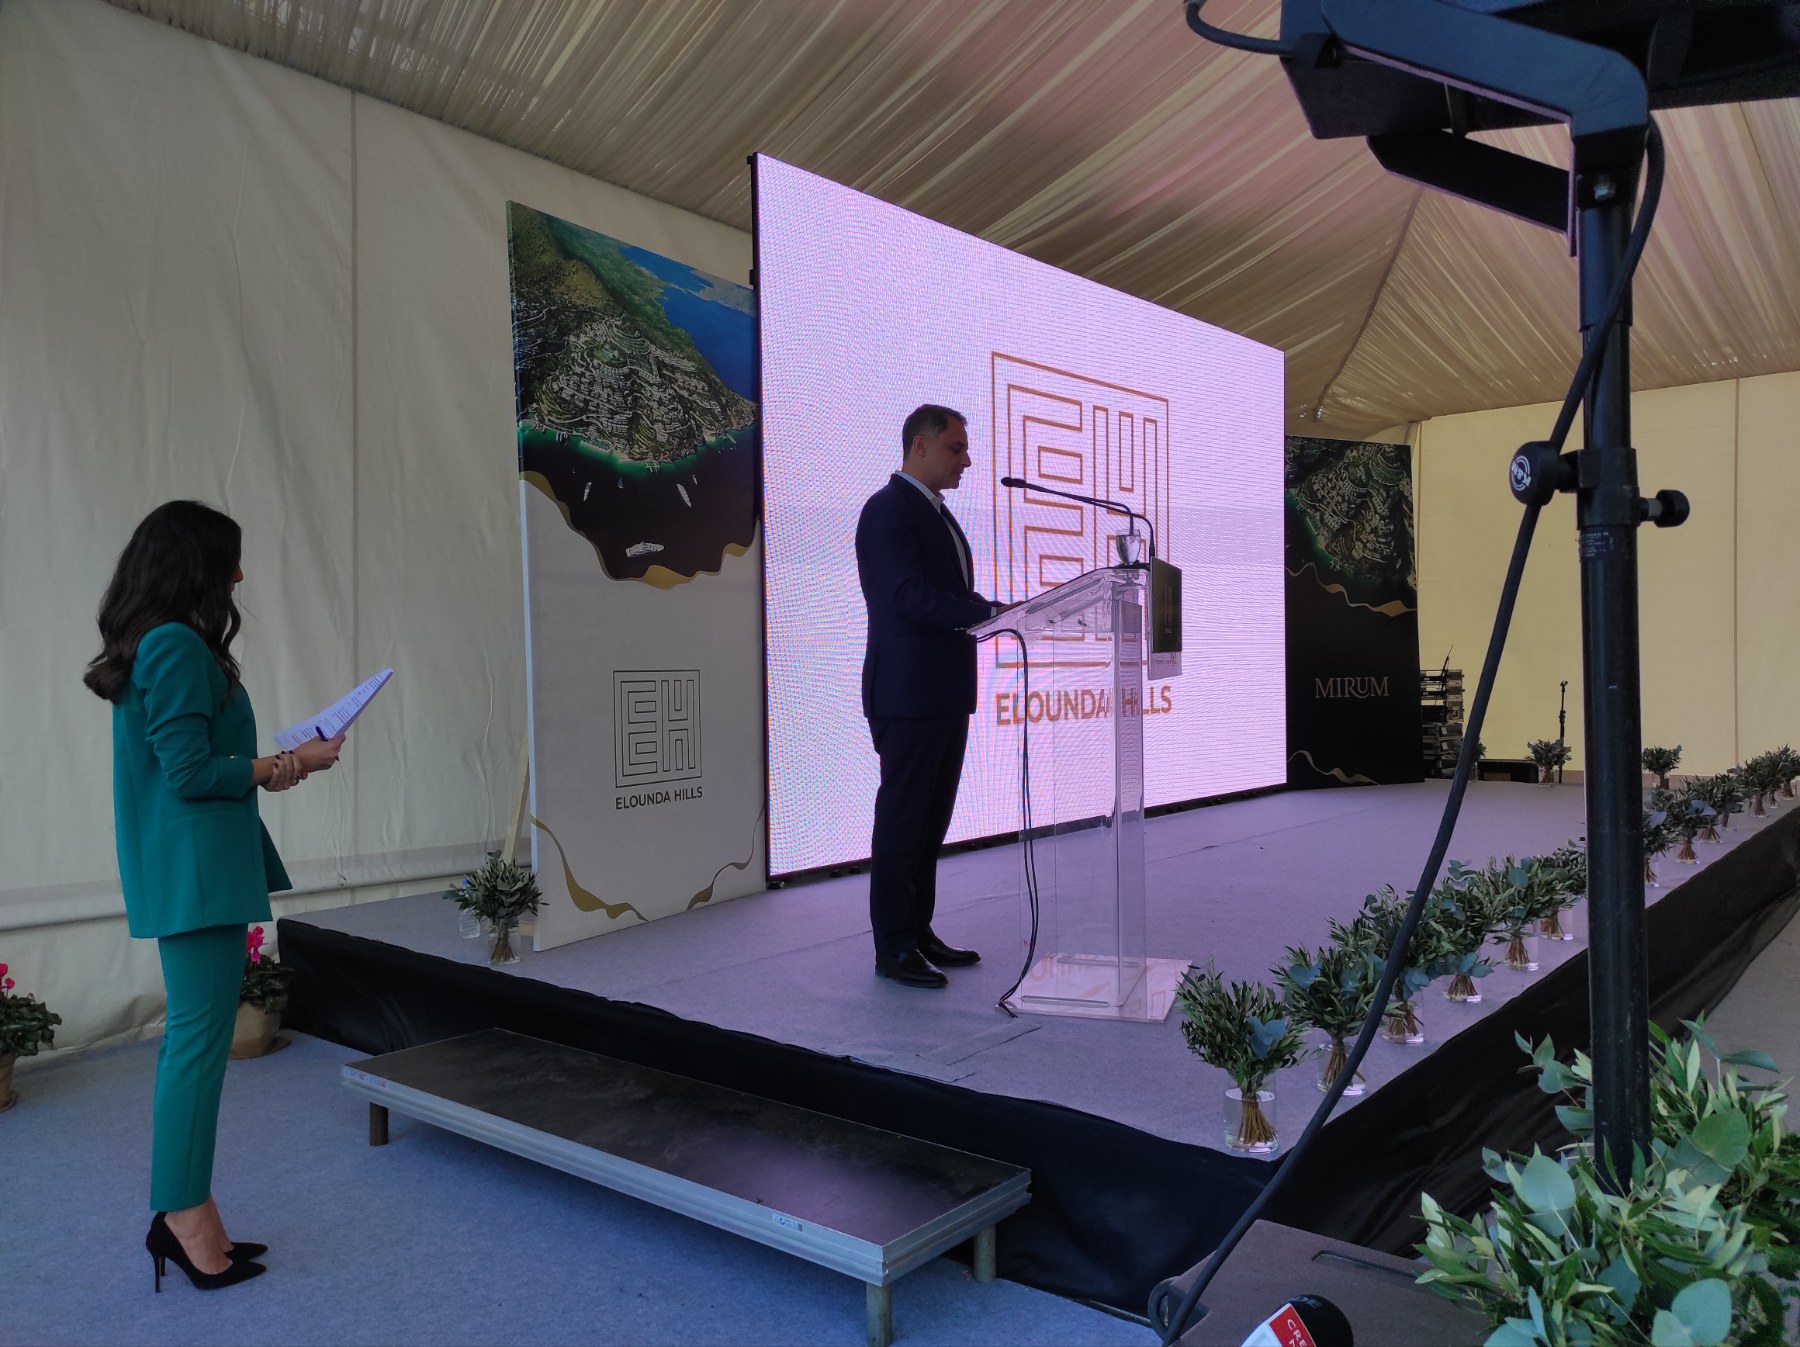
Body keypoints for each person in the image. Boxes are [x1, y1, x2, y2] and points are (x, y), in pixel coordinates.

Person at [83, 501, 344, 1291]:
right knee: (196, 1049)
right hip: (195, 873)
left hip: (195, 867)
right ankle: (180, 1215)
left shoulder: (162, 641)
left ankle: (192, 1208)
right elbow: (191, 773)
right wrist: (288, 763)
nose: (240, 574)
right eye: (230, 559)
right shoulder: (172, 644)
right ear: (195, 565)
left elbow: (194, 764)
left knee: (194, 1046)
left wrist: (276, 767)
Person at [855, 405, 1009, 989]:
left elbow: (941, 593)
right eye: (956, 447)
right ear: (919, 446)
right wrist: (987, 613)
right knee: (904, 823)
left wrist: (991, 611)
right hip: (909, 693)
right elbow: (906, 596)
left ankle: (918, 932)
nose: (966, 459)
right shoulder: (887, 510)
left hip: (942, 693)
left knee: (930, 823)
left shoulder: (935, 512)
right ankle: (894, 946)